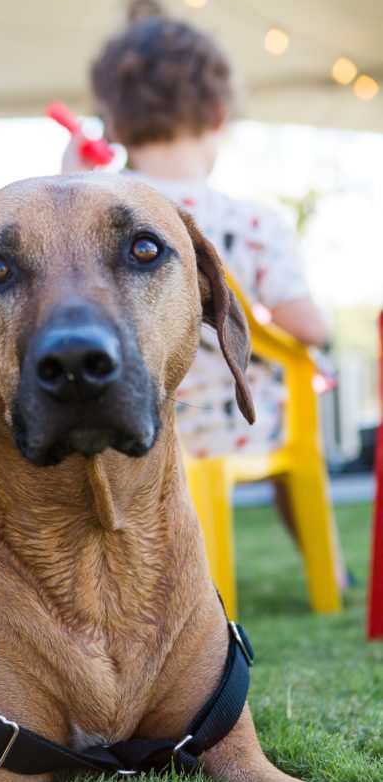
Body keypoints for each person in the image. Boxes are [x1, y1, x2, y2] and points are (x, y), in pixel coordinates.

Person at [62, 2, 348, 581]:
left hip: (135, 415)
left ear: (111, 127)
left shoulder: (99, 206)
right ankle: (333, 570)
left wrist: (74, 178)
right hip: (245, 421)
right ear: (220, 113)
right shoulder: (251, 223)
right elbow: (308, 327)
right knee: (295, 411)